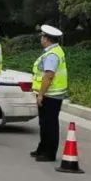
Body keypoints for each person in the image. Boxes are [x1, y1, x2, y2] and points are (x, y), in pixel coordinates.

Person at [31, 25, 68, 162]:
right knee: (44, 123)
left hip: (51, 95)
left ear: (46, 39)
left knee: (49, 124)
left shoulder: (52, 54)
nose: (41, 38)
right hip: (51, 94)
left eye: (42, 36)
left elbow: (49, 75)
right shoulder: (54, 51)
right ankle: (42, 148)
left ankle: (49, 153)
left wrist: (41, 94)